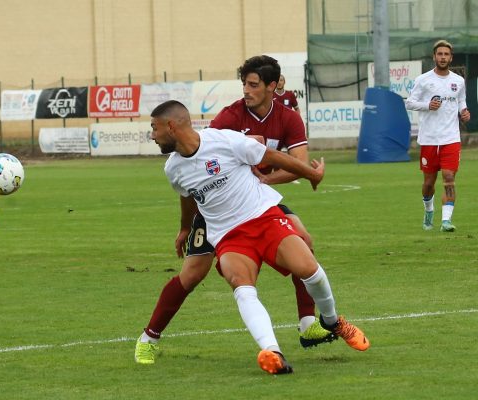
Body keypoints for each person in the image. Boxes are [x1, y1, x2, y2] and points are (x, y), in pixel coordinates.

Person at [135, 55, 333, 365]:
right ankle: (149, 337)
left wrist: (270, 177)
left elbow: (297, 163)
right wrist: (187, 226)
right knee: (192, 275)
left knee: (303, 240)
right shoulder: (228, 119)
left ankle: (308, 323)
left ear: (273, 86)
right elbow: (196, 170)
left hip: (256, 198)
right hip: (216, 208)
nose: (246, 90)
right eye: (244, 83)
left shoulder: (289, 118)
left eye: (253, 85)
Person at [147, 100, 369, 374]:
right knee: (243, 287)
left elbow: (273, 157)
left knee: (310, 269)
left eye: (155, 128)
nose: (152, 135)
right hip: (228, 237)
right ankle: (272, 351)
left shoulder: (225, 141)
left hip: (264, 219)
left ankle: (333, 321)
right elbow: (188, 197)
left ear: (171, 126)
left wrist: (312, 174)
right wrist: (185, 228)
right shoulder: (172, 168)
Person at [405, 40, 470, 232]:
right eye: (439, 54)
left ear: (451, 58)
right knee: (428, 184)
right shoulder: (423, 80)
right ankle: (428, 211)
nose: (443, 57)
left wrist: (464, 112)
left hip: (451, 138)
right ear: (434, 57)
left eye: (446, 54)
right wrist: (427, 106)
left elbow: (461, 102)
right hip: (429, 139)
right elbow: (409, 103)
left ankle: (446, 221)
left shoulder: (458, 81)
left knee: (449, 177)